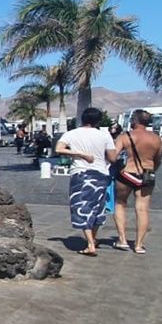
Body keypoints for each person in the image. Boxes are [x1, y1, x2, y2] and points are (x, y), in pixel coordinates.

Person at [55, 107, 119, 256]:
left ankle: (90, 243)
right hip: (101, 174)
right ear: (98, 121)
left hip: (81, 174)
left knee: (82, 206)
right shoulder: (104, 135)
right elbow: (112, 158)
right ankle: (92, 240)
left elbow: (59, 149)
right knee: (97, 207)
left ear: (82, 118)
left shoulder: (71, 134)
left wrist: (79, 154)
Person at [112, 109, 162, 254]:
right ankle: (139, 245)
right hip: (147, 174)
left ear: (134, 120)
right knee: (143, 209)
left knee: (120, 203)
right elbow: (158, 160)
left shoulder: (125, 136)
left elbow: (114, 156)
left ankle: (122, 240)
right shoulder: (156, 139)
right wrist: (151, 170)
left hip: (127, 173)